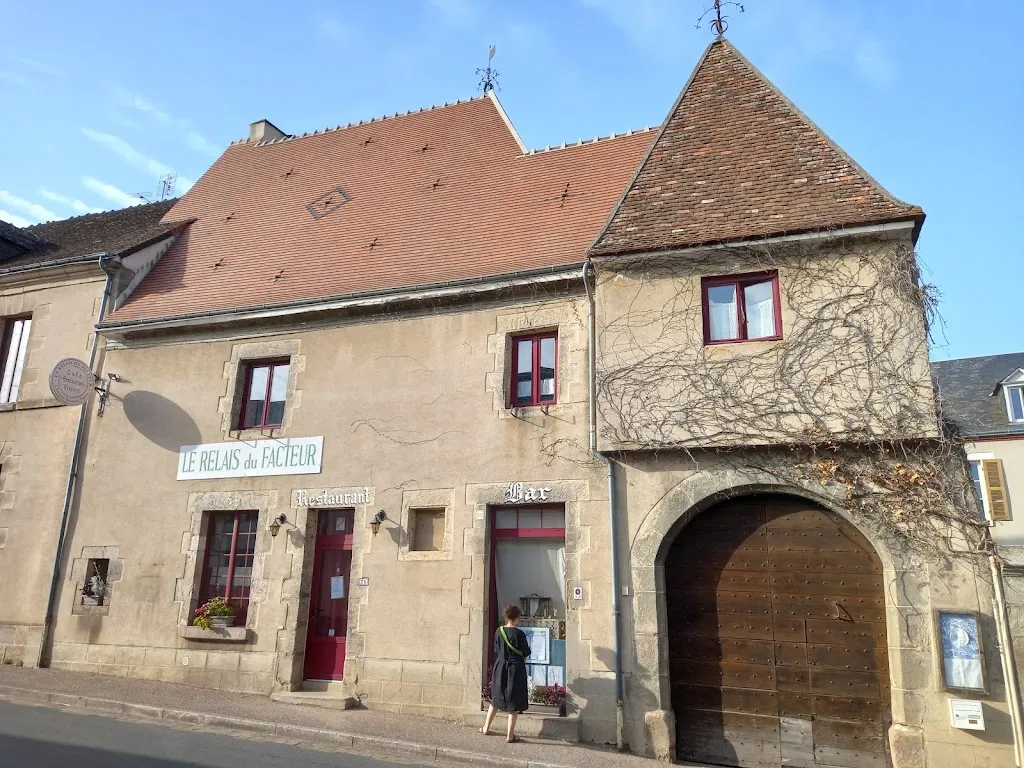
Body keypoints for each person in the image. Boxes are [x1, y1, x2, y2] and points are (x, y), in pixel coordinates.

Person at [481, 604, 531, 742]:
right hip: (516, 668)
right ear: (517, 617)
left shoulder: (498, 631)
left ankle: (486, 727)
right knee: (513, 702)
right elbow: (526, 652)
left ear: (506, 616)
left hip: (500, 666)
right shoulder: (519, 634)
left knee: (496, 698)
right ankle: (510, 735)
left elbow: (497, 649)